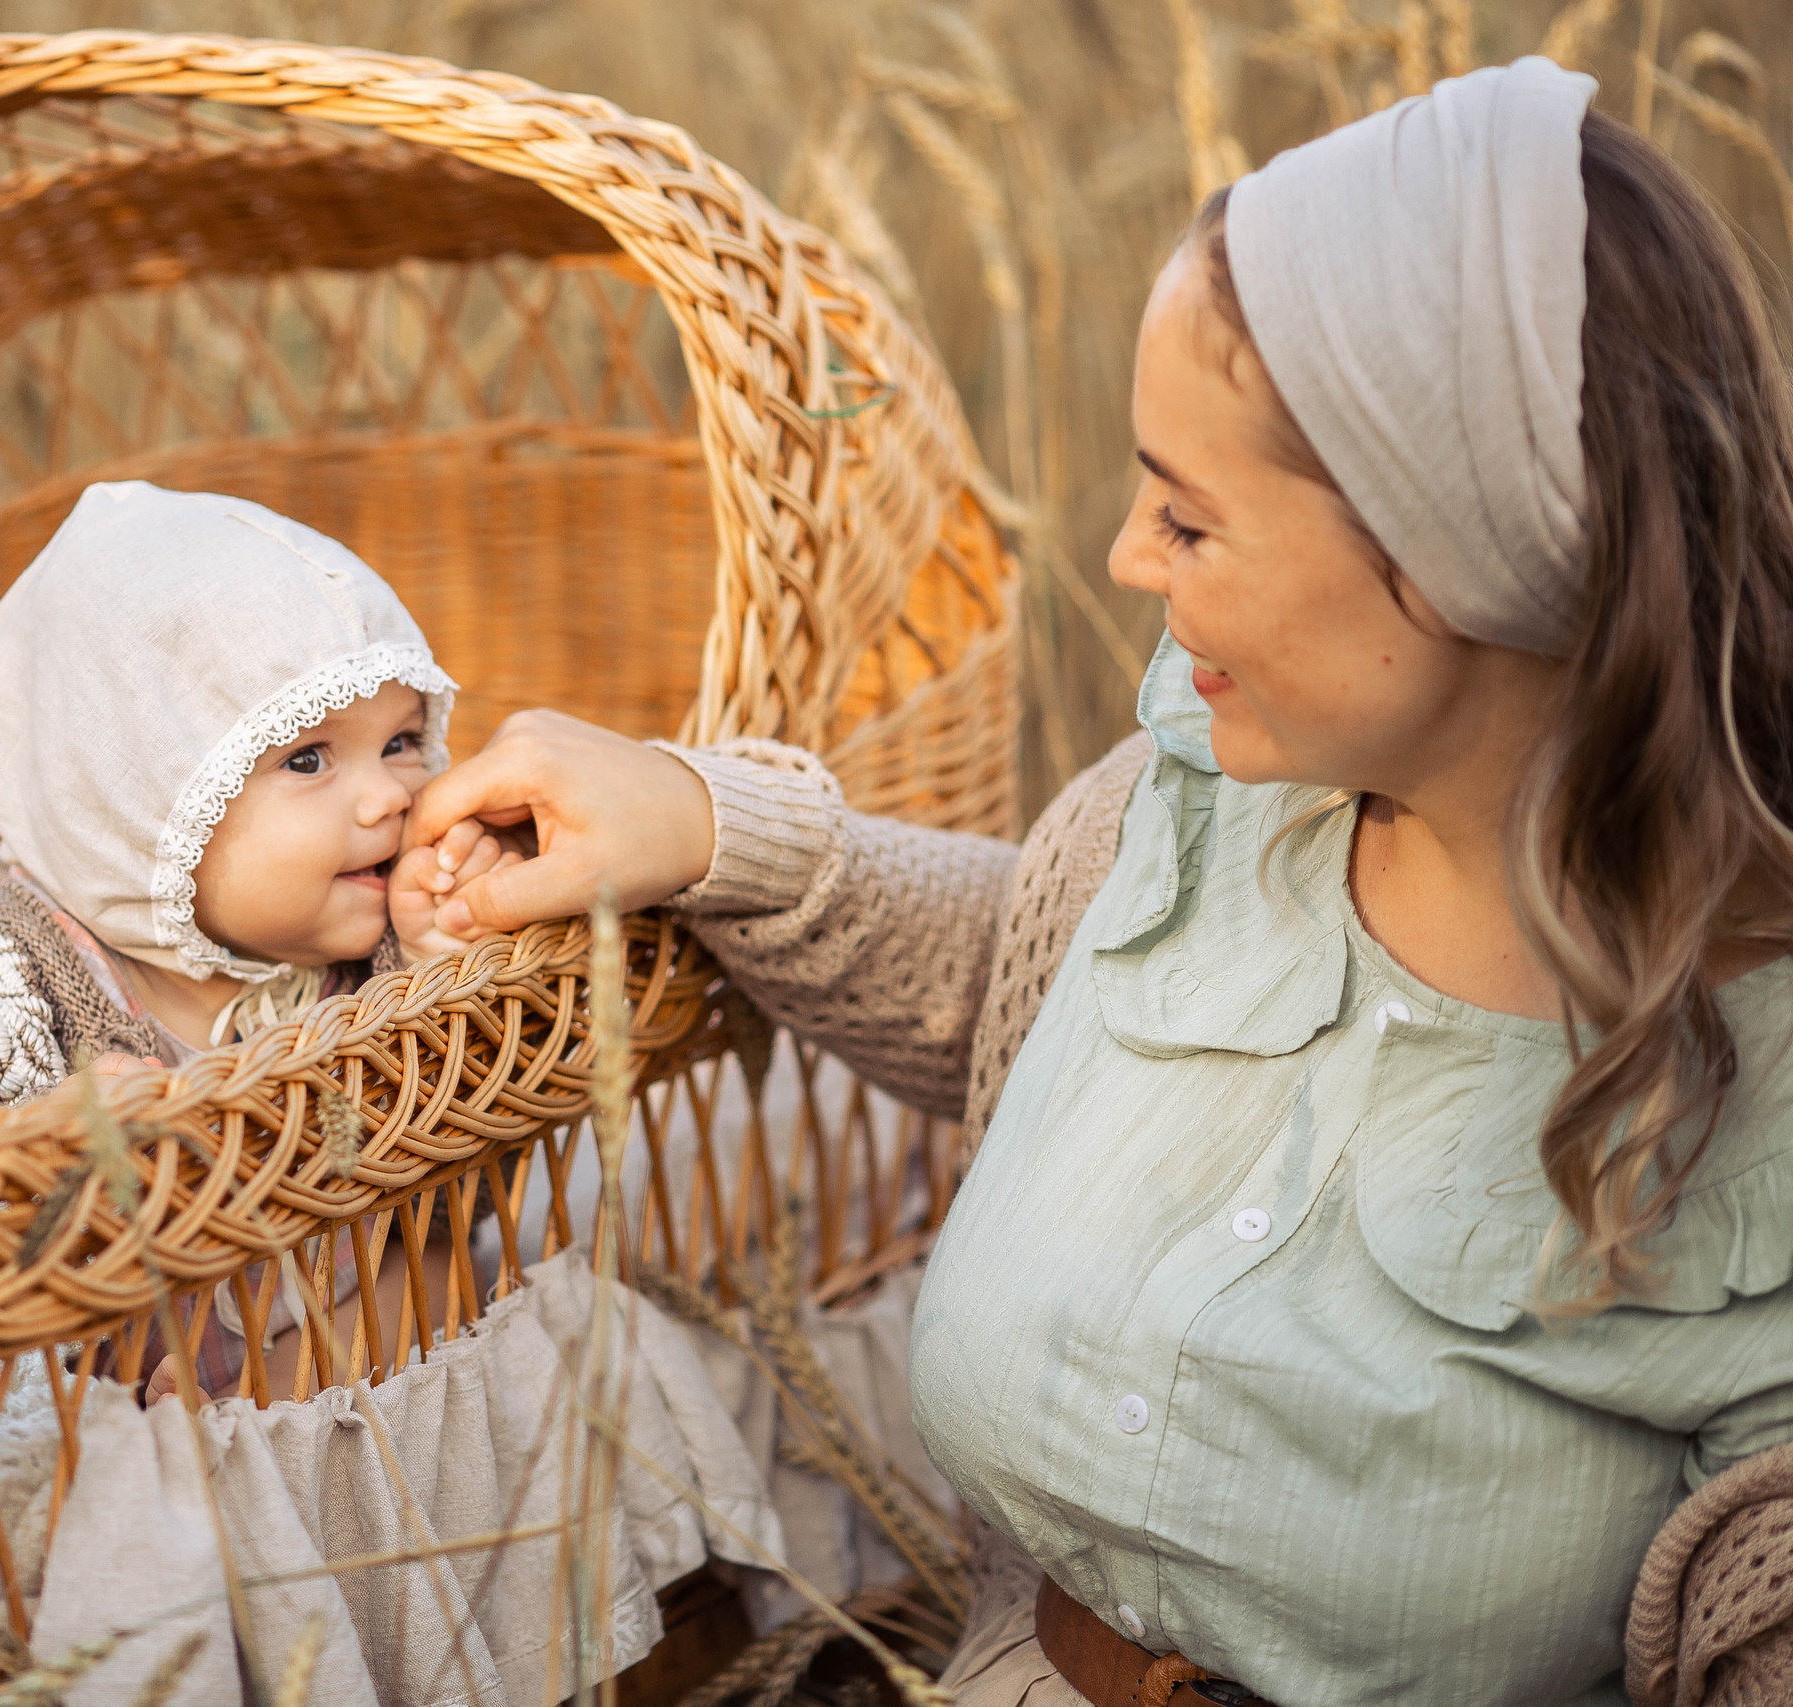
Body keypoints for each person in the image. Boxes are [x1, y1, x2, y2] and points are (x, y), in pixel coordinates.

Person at [402, 59, 1793, 1706]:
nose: (1127, 558)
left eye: (1191, 522)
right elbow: (1035, 986)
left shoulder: (1750, 1093)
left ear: (1472, 554)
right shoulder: (1192, 799)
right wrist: (712, 828)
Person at [0, 479, 519, 1398]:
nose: (390, 794)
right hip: (87, 1367)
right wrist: (37, 1148)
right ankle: (137, 1433)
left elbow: (467, 1176)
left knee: (455, 1288)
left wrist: (442, 963)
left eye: (400, 742)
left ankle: (255, 1408)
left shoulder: (384, 953)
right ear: (145, 809)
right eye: (307, 759)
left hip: (318, 1335)